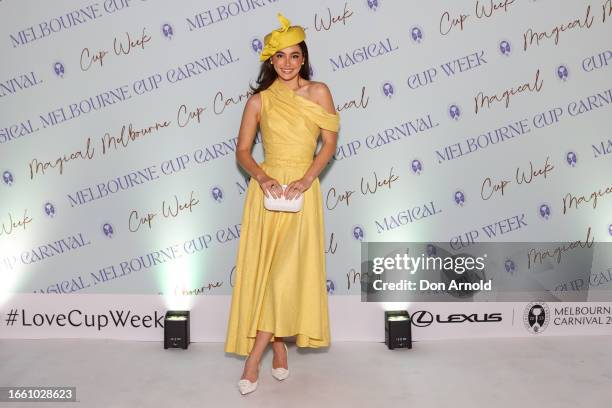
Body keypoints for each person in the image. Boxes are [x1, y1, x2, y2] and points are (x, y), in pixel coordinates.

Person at [224, 12, 340, 395]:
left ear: (303, 58)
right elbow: (243, 151)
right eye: (280, 57)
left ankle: (252, 358)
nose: (287, 63)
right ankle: (278, 347)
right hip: (268, 193)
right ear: (270, 61)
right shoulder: (259, 101)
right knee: (269, 274)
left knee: (286, 275)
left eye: (294, 56)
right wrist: (262, 177)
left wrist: (308, 179)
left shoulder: (319, 92)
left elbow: (329, 144)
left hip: (303, 193)